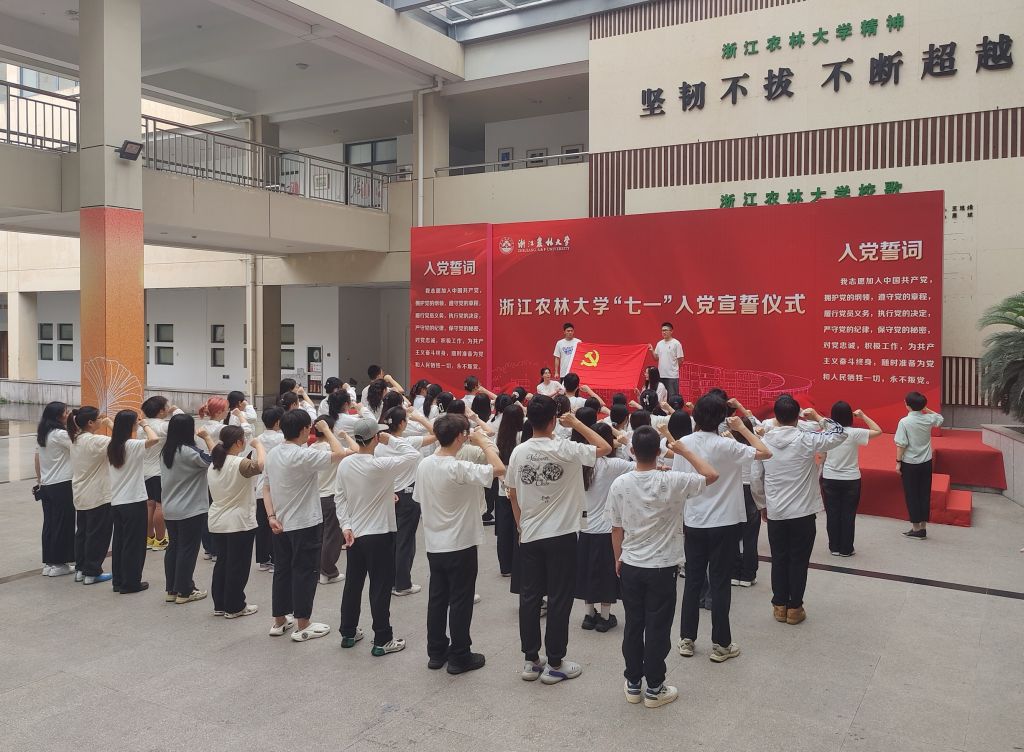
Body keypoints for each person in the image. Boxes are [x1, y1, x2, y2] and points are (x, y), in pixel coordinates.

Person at [609, 426, 719, 708]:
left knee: (634, 625)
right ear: (659, 452)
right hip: (663, 566)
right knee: (658, 628)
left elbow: (616, 529)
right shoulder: (674, 480)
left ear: (632, 451)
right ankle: (655, 687)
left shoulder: (620, 484)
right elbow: (711, 475)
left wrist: (618, 557)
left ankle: (633, 682)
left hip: (631, 563)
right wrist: (684, 451)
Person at [507, 395, 611, 685]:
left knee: (530, 598)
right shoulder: (566, 448)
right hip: (562, 534)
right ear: (554, 420)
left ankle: (531, 661)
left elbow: (512, 493)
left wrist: (521, 526)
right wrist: (576, 422)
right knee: (559, 598)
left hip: (530, 533)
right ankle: (555, 663)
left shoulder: (519, 452)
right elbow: (604, 447)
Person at [670, 395, 771, 663]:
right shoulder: (727, 445)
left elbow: (680, 482)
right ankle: (721, 643)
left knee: (693, 581)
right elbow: (765, 452)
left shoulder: (684, 444)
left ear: (695, 416)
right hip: (725, 522)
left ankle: (686, 639)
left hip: (694, 520)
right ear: (722, 419)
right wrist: (742, 429)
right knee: (720, 582)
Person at [415, 413, 505, 673]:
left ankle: (436, 652)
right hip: (460, 543)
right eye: (464, 434)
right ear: (458, 437)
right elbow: (499, 469)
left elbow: (420, 498)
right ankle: (460, 655)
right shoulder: (458, 467)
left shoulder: (425, 465)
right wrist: (484, 442)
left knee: (438, 599)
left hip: (435, 543)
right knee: (460, 601)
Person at [751, 398, 847, 625]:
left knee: (779, 559)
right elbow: (840, 433)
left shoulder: (763, 441)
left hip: (776, 511)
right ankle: (795, 608)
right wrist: (818, 418)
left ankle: (779, 605)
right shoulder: (806, 439)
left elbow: (755, 478)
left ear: (775, 416)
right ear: (798, 417)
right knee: (798, 561)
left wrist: (762, 505)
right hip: (803, 512)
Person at [336, 417, 421, 655]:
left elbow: (340, 497)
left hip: (355, 533)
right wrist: (390, 439)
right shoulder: (381, 465)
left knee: (353, 584)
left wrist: (345, 525)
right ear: (375, 437)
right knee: (380, 587)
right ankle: (382, 639)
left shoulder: (346, 464)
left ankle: (348, 632)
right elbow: (413, 455)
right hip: (380, 534)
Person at [263, 410, 347, 642]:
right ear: (303, 430)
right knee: (305, 573)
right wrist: (327, 430)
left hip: (279, 522)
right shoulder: (303, 455)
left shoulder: (273, 453)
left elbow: (266, 487)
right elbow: (339, 453)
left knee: (282, 571)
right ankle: (303, 624)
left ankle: (279, 620)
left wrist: (271, 516)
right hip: (305, 523)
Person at [577, 422, 633, 633]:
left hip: (584, 528)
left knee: (587, 572)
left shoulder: (581, 463)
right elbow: (640, 463)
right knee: (607, 574)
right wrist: (625, 442)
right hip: (606, 529)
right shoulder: (613, 465)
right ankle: (605, 617)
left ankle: (588, 615)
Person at [375, 407, 437, 597]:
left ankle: (391, 580)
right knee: (405, 541)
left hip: (388, 494)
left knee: (392, 540)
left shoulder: (379, 446)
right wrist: (420, 418)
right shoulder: (408, 443)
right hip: (408, 495)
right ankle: (402, 584)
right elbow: (437, 434)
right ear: (402, 423)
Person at [207, 425, 266, 618]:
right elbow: (261, 465)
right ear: (239, 442)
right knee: (237, 566)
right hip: (238, 522)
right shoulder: (239, 463)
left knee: (222, 563)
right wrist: (259, 446)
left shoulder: (215, 463)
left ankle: (220, 604)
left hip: (217, 520)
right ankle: (235, 606)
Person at [161, 413, 215, 605]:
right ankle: (185, 591)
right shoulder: (190, 452)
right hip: (190, 509)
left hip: (170, 507)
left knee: (174, 547)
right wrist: (207, 438)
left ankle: (172, 589)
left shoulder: (167, 450)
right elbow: (214, 459)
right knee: (188, 549)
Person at [108, 410, 160, 594]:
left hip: (117, 501)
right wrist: (146, 424)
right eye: (135, 422)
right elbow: (155, 439)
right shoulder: (132, 445)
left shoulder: (113, 445)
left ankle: (118, 581)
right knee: (134, 544)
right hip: (134, 500)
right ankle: (131, 583)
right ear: (130, 426)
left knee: (120, 542)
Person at [822, 402, 882, 556]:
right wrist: (863, 416)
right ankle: (846, 548)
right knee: (848, 514)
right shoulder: (855, 433)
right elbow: (878, 431)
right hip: (851, 479)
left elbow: (822, 455)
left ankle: (834, 547)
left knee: (832, 513)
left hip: (830, 477)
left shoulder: (828, 431)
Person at [67, 408, 115, 585]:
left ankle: (81, 569)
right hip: (97, 495)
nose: (101, 420)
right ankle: (92, 572)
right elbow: (122, 442)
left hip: (81, 493)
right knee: (98, 534)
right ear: (90, 423)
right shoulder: (94, 441)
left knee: (83, 533)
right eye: (99, 418)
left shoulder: (76, 439)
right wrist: (111, 424)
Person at [309, 414, 355, 586]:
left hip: (315, 497)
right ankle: (327, 571)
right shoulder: (334, 449)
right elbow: (356, 449)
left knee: (320, 536)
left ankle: (319, 570)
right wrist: (346, 436)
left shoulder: (310, 448)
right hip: (331, 497)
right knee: (332, 537)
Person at [895, 391, 944, 540]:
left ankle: (916, 529)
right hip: (926, 462)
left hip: (910, 463)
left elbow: (901, 444)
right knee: (924, 493)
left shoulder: (904, 422)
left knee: (912, 495)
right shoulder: (928, 418)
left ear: (908, 405)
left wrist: (898, 462)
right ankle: (923, 527)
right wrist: (925, 409)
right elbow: (940, 418)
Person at [34, 401, 75, 578]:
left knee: (50, 524)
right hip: (62, 484)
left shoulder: (44, 433)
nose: (68, 414)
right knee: (63, 524)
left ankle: (50, 562)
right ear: (59, 416)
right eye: (66, 412)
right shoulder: (60, 434)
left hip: (47, 484)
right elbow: (79, 444)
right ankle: (59, 564)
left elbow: (37, 459)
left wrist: (39, 480)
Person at [140, 396, 182, 552]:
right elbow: (183, 424)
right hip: (159, 471)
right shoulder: (163, 426)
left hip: (144, 471)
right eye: (167, 406)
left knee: (149, 505)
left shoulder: (142, 427)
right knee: (160, 505)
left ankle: (149, 538)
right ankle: (160, 539)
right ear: (161, 410)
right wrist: (176, 410)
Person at [729, 417, 762, 587]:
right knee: (750, 537)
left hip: (732, 491)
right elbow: (757, 476)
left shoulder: (728, 446)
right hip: (749, 490)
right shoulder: (754, 448)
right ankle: (748, 575)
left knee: (733, 535)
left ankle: (734, 572)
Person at [494, 404, 525, 577]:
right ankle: (517, 564)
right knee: (518, 526)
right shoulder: (522, 437)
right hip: (519, 488)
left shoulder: (499, 437)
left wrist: (503, 480)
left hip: (502, 488)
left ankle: (505, 566)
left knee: (504, 529)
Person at [254, 407, 285, 572]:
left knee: (262, 525)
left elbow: (256, 461)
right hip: (277, 486)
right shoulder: (282, 438)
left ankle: (263, 559)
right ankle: (276, 558)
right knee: (277, 523)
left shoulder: (258, 439)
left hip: (261, 486)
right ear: (278, 422)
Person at [648, 322, 684, 399]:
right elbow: (656, 358)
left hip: (672, 376)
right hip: (661, 375)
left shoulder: (676, 343)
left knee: (672, 398)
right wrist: (652, 351)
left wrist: (674, 369)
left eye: (665, 330)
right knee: (661, 398)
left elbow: (681, 360)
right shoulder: (659, 343)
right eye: (662, 330)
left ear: (671, 331)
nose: (663, 332)